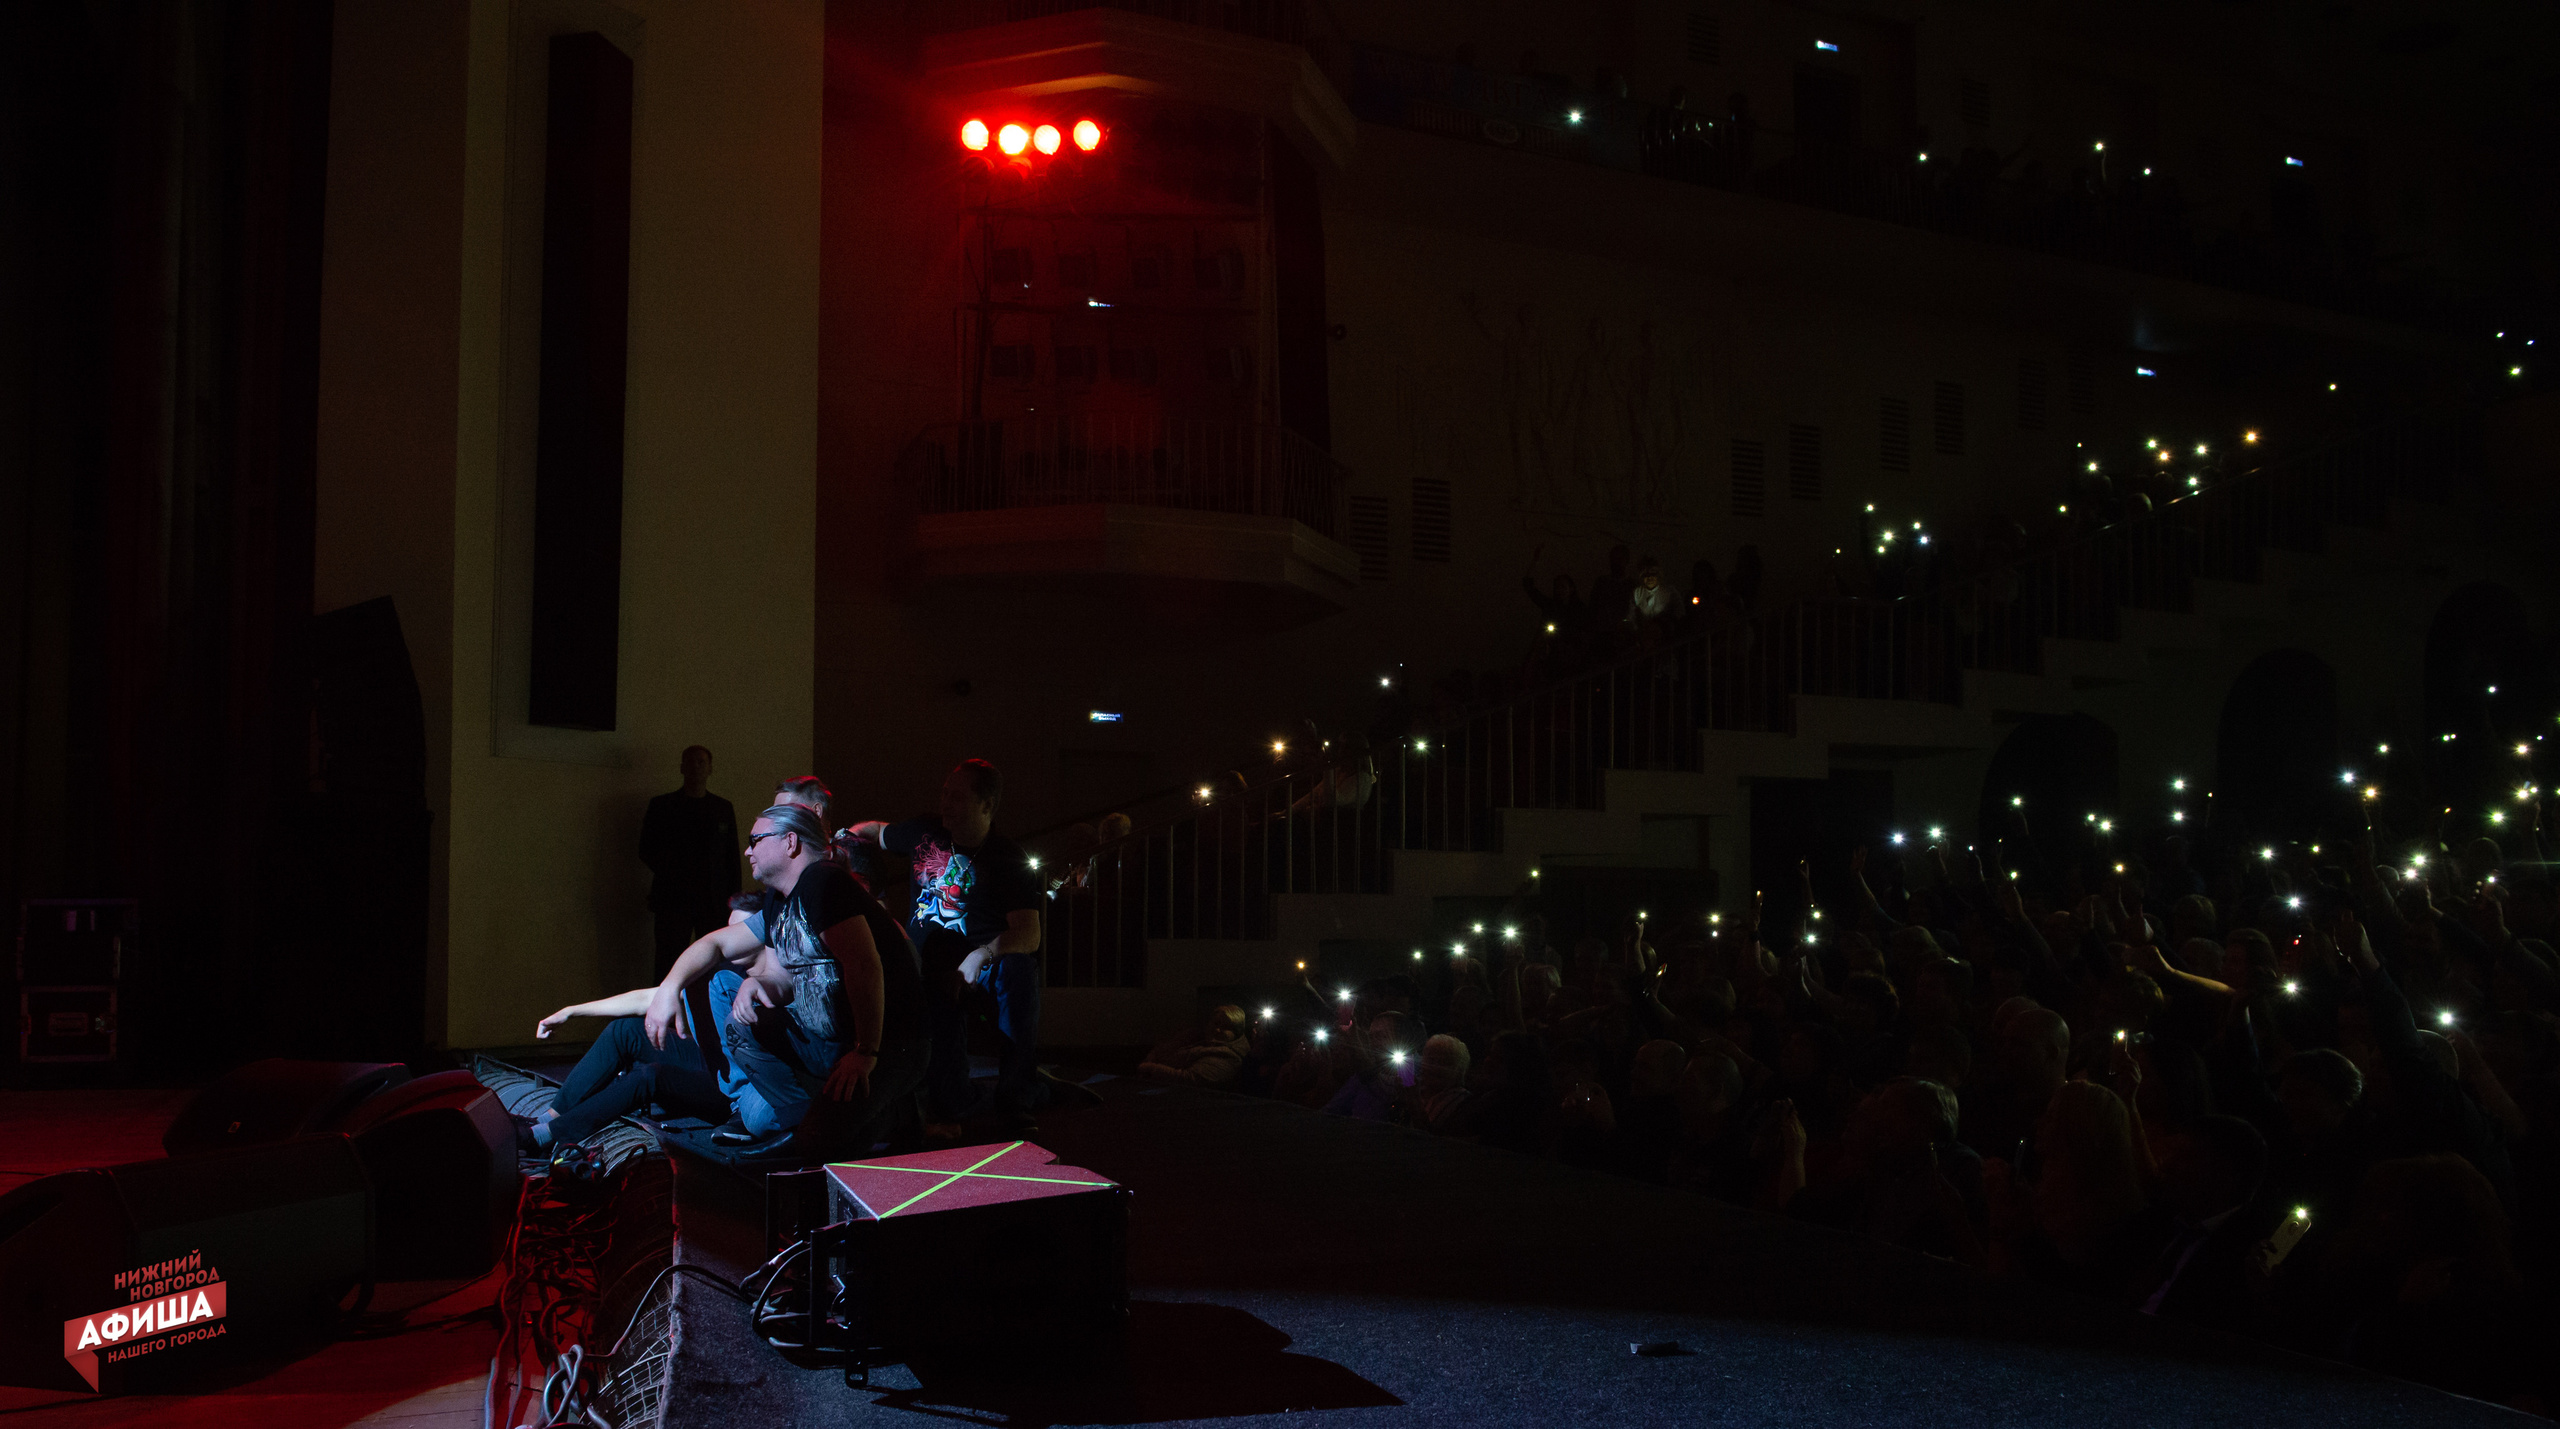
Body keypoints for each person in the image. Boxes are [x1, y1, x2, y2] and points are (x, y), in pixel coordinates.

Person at [646, 803, 929, 1154]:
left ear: (790, 842)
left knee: (818, 1147)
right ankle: (795, 1120)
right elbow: (728, 951)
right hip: (830, 1044)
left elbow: (864, 965)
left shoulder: (824, 882)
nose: (748, 850)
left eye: (755, 840)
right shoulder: (779, 900)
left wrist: (866, 1051)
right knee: (725, 992)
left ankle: (889, 1111)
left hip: (883, 1048)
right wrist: (676, 987)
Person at [845, 759, 1045, 1135]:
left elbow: (1029, 934)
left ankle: (1017, 1098)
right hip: (927, 968)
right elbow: (877, 831)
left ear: (987, 806)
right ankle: (1004, 1091)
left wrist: (980, 955)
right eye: (944, 793)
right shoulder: (924, 832)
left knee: (1019, 970)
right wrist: (844, 838)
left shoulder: (1007, 857)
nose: (946, 804)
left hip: (979, 969)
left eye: (958, 797)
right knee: (950, 1101)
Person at [519, 985, 734, 1156]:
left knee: (650, 1076)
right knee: (623, 1031)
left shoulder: (762, 961)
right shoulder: (727, 956)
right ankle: (549, 1117)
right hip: (715, 1058)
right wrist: (570, 1011)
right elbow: (648, 999)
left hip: (739, 1088)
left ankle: (546, 1136)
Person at [639, 746, 740, 978]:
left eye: (702, 762)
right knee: (668, 961)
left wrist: (734, 901)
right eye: (691, 762)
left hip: (713, 900)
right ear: (682, 767)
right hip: (673, 898)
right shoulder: (663, 806)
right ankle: (664, 1012)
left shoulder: (722, 809)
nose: (696, 767)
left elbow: (731, 857)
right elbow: (646, 848)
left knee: (714, 962)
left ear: (710, 769)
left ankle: (709, 1010)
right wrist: (674, 873)